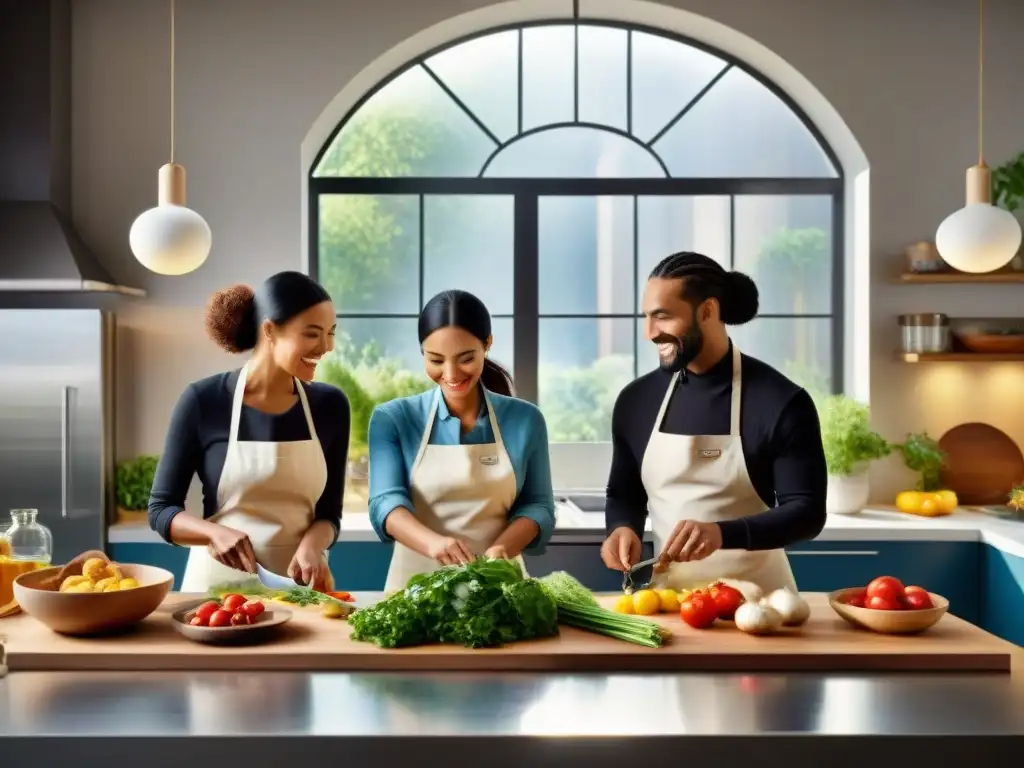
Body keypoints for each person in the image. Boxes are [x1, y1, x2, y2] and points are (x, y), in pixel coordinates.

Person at [600, 252, 826, 593]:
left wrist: (721, 533)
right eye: (646, 317)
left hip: (763, 608)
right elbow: (624, 493)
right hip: (672, 605)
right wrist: (621, 527)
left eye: (662, 317)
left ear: (707, 311)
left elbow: (807, 512)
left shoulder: (780, 401)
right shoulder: (636, 401)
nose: (649, 333)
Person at [148, 271, 350, 592]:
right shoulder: (204, 400)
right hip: (218, 589)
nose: (326, 347)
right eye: (312, 334)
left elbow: (329, 515)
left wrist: (313, 545)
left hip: (300, 587)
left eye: (331, 333)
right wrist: (213, 533)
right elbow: (161, 510)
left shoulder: (330, 405)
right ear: (269, 330)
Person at [368, 289, 555, 592]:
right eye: (436, 360)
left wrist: (501, 552)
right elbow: (384, 503)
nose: (451, 373)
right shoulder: (393, 418)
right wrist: (434, 544)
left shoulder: (525, 420)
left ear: (487, 344)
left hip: (499, 587)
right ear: (422, 353)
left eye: (466, 358)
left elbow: (538, 505)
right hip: (413, 591)